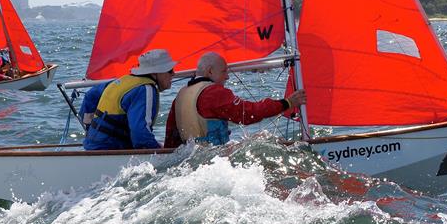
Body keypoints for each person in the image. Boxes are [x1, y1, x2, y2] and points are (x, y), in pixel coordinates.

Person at [164, 52, 307, 147]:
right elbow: (248, 114)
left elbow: (171, 137)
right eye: (224, 71)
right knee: (265, 140)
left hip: (189, 160)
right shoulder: (213, 92)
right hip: (213, 160)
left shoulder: (180, 96)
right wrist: (287, 103)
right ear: (210, 71)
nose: (227, 76)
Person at [80, 49, 176, 150]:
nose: (173, 74)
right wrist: (158, 149)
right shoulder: (145, 89)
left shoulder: (121, 81)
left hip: (91, 145)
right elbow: (139, 133)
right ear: (155, 73)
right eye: (170, 70)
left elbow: (90, 96)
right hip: (110, 149)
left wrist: (89, 127)